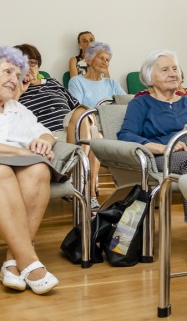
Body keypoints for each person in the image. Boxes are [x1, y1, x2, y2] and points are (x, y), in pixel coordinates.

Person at [118, 50, 187, 265]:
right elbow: (125, 134)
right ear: (149, 77)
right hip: (162, 159)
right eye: (165, 69)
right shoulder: (141, 104)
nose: (173, 73)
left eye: (175, 68)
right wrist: (162, 147)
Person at [0, 46, 60, 294]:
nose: (14, 79)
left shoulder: (18, 109)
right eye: (7, 71)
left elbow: (44, 132)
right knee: (2, 171)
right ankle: (29, 261)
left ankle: (13, 261)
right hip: (4, 168)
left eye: (17, 75)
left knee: (39, 170)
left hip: (18, 168)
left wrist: (44, 141)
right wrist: (21, 152)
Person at [15, 44, 100, 208]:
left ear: (38, 65)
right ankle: (87, 191)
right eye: (23, 63)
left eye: (32, 62)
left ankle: (79, 181)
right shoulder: (15, 90)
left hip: (70, 129)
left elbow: (76, 106)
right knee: (96, 138)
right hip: (48, 135)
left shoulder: (53, 83)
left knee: (84, 113)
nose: (29, 67)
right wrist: (20, 88)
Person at [68, 42, 125, 107]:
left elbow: (128, 102)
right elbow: (77, 110)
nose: (105, 62)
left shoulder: (112, 83)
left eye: (107, 60)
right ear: (88, 60)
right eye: (101, 58)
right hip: (90, 117)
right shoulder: (76, 82)